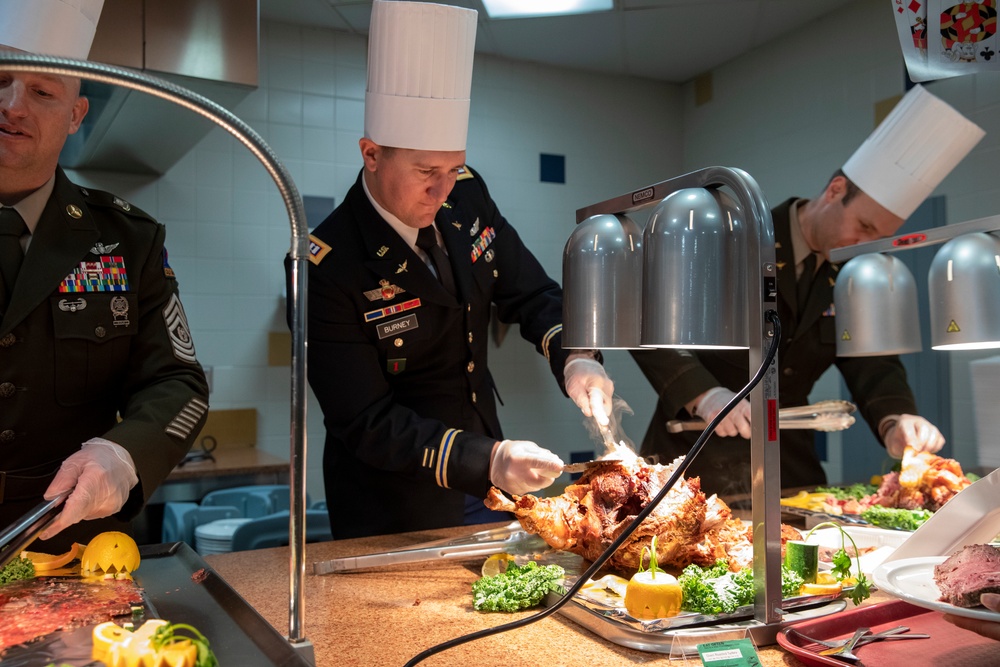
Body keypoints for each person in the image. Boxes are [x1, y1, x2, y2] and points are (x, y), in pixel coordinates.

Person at [288, 0, 613, 540]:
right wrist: (485, 458)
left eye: (452, 167)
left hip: (490, 485)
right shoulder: (327, 262)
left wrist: (576, 356)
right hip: (394, 504)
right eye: (425, 172)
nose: (442, 192)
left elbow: (531, 295)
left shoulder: (465, 195)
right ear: (371, 154)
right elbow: (363, 420)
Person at [631, 85, 984, 497]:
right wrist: (704, 394)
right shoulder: (734, 235)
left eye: (878, 237)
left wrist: (895, 420)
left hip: (787, 462)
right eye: (865, 227)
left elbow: (874, 363)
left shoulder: (856, 273)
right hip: (691, 451)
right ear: (835, 191)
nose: (862, 244)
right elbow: (646, 318)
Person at [0, 0, 209, 551]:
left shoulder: (128, 239)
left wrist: (123, 454)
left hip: (75, 546)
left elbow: (177, 382)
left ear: (75, 115)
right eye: (0, 79)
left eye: (43, 91)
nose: (13, 105)